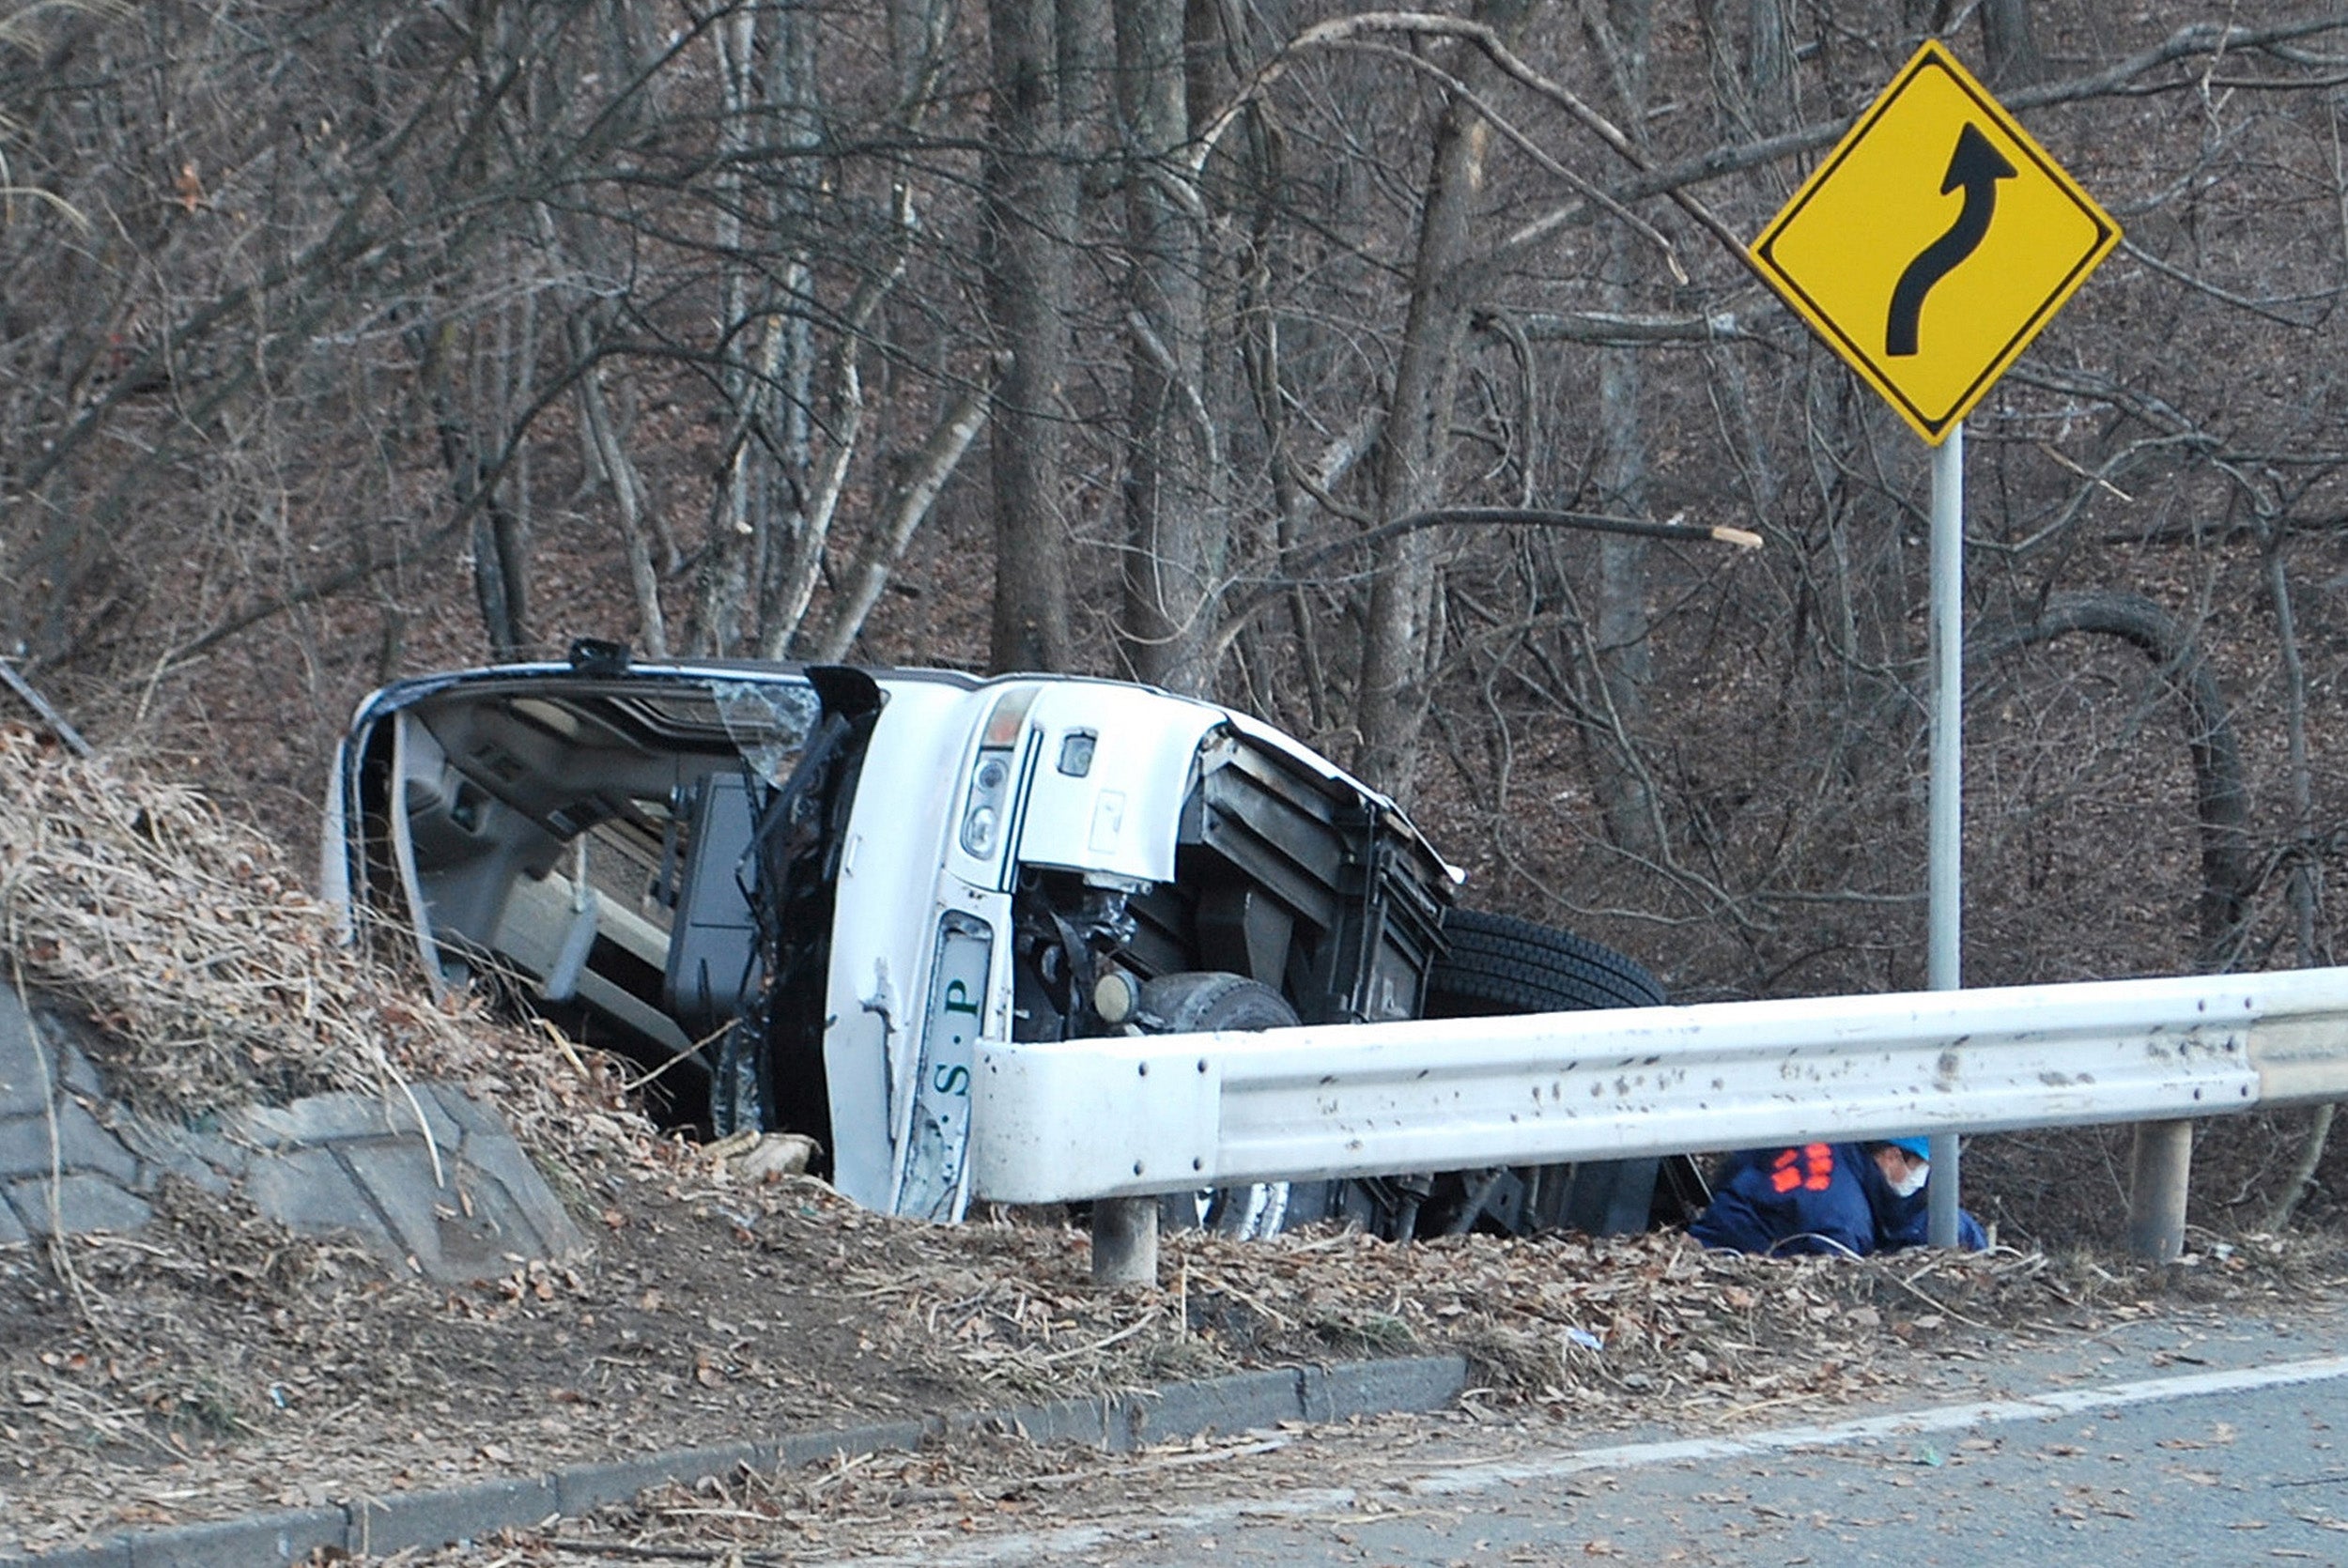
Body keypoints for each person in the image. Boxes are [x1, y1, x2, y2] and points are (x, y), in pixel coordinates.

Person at [1688, 1136, 1986, 1258]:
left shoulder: (1838, 1145)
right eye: (1922, 1166)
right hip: (1726, 1257)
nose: (1926, 1177)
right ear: (1892, 1156)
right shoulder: (1842, 1219)